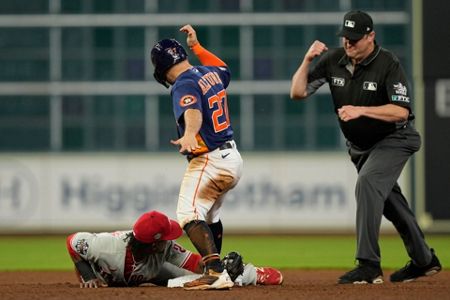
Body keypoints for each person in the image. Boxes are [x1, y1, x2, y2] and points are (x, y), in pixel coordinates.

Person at [290, 10, 442, 284]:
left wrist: (361, 110)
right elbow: (298, 93)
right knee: (391, 203)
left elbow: (401, 112)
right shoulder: (333, 59)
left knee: (368, 182)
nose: (349, 44)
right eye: (346, 38)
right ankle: (425, 260)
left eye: (355, 39)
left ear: (371, 36)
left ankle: (368, 265)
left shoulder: (387, 63)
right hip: (361, 148)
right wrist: (306, 60)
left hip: (395, 139)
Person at [150, 24, 243, 290]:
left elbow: (192, 111)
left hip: (210, 159)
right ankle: (219, 269)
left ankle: (214, 271)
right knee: (209, 216)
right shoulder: (209, 73)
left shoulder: (183, 82)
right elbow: (225, 69)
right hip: (232, 157)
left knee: (188, 213)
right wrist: (197, 48)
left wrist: (190, 133)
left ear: (161, 68)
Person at [66, 210, 283, 288]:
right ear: (153, 242)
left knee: (205, 277)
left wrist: (219, 265)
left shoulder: (163, 248)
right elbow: (72, 242)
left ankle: (250, 274)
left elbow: (195, 263)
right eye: (165, 236)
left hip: (151, 271)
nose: (170, 238)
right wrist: (87, 276)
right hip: (114, 274)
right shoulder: (106, 248)